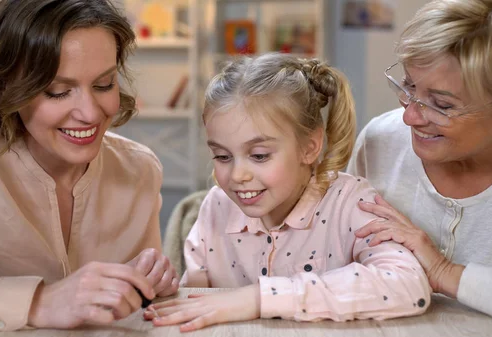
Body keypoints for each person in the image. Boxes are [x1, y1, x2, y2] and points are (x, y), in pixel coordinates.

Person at [0, 0, 178, 332]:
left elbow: (144, 306)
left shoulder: (139, 169)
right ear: (7, 87)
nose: (89, 114)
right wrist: (39, 302)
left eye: (104, 84)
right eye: (57, 91)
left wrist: (147, 283)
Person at [143, 53, 431, 332]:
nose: (237, 176)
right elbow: (195, 304)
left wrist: (258, 298)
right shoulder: (216, 206)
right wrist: (163, 287)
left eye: (258, 155)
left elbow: (408, 284)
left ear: (309, 147)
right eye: (222, 156)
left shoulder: (351, 203)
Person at [347, 0, 492, 325]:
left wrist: (443, 271)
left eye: (442, 105)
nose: (409, 116)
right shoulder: (381, 140)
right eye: (409, 86)